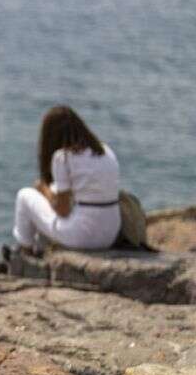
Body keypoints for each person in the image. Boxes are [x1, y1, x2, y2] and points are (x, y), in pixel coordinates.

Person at [6, 106, 120, 265]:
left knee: (25, 195)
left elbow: (63, 210)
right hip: (109, 234)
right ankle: (39, 248)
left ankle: (23, 253)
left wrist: (42, 188)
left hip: (82, 236)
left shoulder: (63, 157)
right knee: (53, 196)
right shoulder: (105, 151)